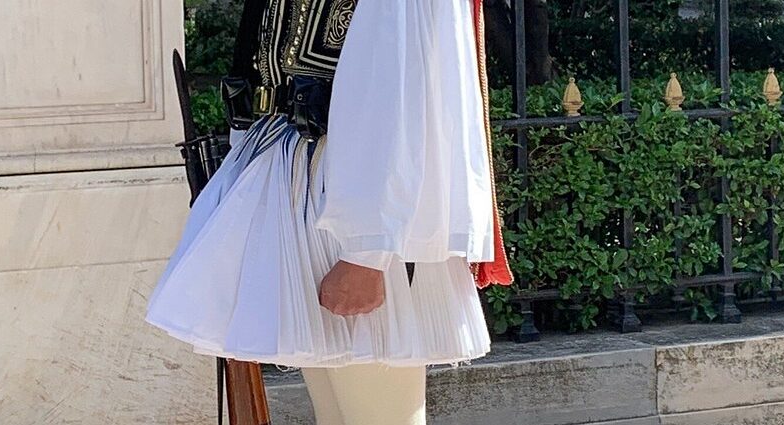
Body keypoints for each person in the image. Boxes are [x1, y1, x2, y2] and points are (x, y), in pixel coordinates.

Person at [146, 0, 513, 423]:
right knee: (336, 414)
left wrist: (367, 255)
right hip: (297, 178)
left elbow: (401, 94)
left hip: (358, 207)